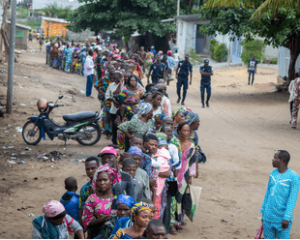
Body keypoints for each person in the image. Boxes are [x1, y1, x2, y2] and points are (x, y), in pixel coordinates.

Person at [261, 150, 300, 239]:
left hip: (282, 219)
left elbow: (292, 199)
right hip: (268, 218)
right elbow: (267, 194)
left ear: (282, 160)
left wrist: (286, 217)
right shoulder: (273, 174)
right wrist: (263, 212)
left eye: (275, 157)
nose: (272, 159)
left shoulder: (294, 177)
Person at [82, 164, 122, 239]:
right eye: (99, 180)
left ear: (111, 181)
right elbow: (86, 223)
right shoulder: (92, 199)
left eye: (105, 180)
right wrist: (102, 219)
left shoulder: (119, 197)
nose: (102, 183)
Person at [176, 122, 198, 224]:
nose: (186, 132)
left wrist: (190, 177)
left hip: (184, 175)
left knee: (181, 197)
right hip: (174, 174)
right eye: (184, 130)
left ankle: (178, 220)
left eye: (188, 131)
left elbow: (192, 162)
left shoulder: (191, 146)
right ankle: (172, 220)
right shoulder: (174, 144)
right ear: (179, 131)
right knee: (174, 197)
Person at [78, 157, 99, 226]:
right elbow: (82, 210)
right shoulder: (84, 189)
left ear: (98, 168)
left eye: (93, 168)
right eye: (87, 169)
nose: (90, 171)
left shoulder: (107, 185)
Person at [106, 72, 124, 144]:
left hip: (122, 110)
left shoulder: (124, 85)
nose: (115, 80)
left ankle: (121, 142)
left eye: (117, 79)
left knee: (122, 127)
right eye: (114, 78)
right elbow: (107, 96)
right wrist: (114, 99)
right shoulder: (111, 85)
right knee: (114, 127)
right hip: (113, 110)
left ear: (120, 78)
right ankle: (114, 142)